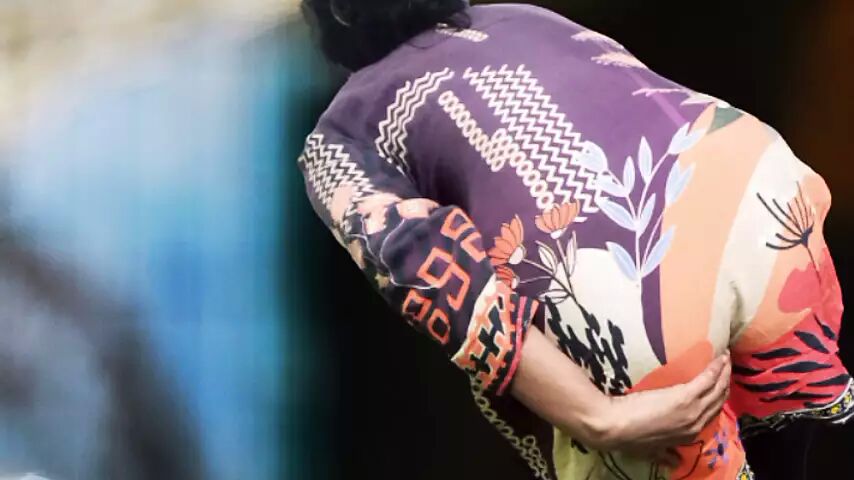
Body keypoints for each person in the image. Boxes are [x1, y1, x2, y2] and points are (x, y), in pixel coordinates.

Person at [297, 2, 851, 478]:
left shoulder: (340, 135)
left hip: (631, 294)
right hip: (766, 193)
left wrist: (598, 418)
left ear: (337, 15)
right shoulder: (523, 16)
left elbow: (438, 280)